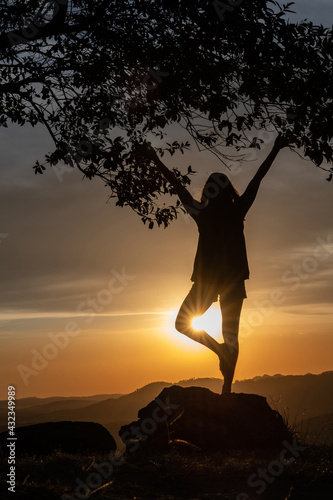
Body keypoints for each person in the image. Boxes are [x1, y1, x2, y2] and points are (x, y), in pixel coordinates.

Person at [134, 134, 292, 394]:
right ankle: (226, 383)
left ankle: (224, 370)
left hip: (211, 280)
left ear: (209, 191)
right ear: (228, 190)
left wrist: (154, 159)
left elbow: (177, 185)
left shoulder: (203, 214)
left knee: (184, 324)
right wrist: (275, 149)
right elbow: (257, 180)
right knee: (230, 336)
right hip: (230, 280)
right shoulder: (234, 210)